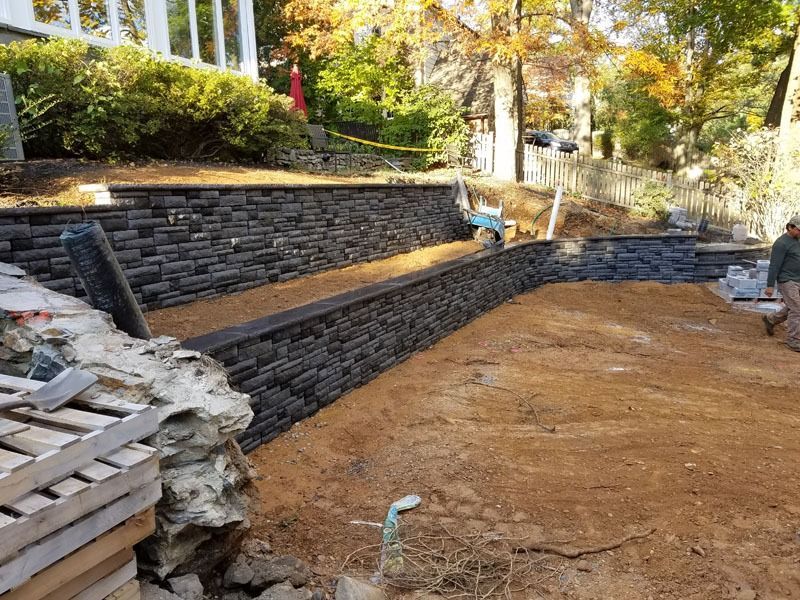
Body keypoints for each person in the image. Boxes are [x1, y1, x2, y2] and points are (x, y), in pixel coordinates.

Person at [762, 215, 800, 351]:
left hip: (798, 279)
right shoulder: (781, 243)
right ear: (790, 227)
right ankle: (793, 341)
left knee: (794, 307)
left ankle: (771, 319)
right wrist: (770, 285)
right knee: (797, 309)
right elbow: (774, 265)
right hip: (787, 280)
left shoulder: (798, 240)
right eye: (798, 230)